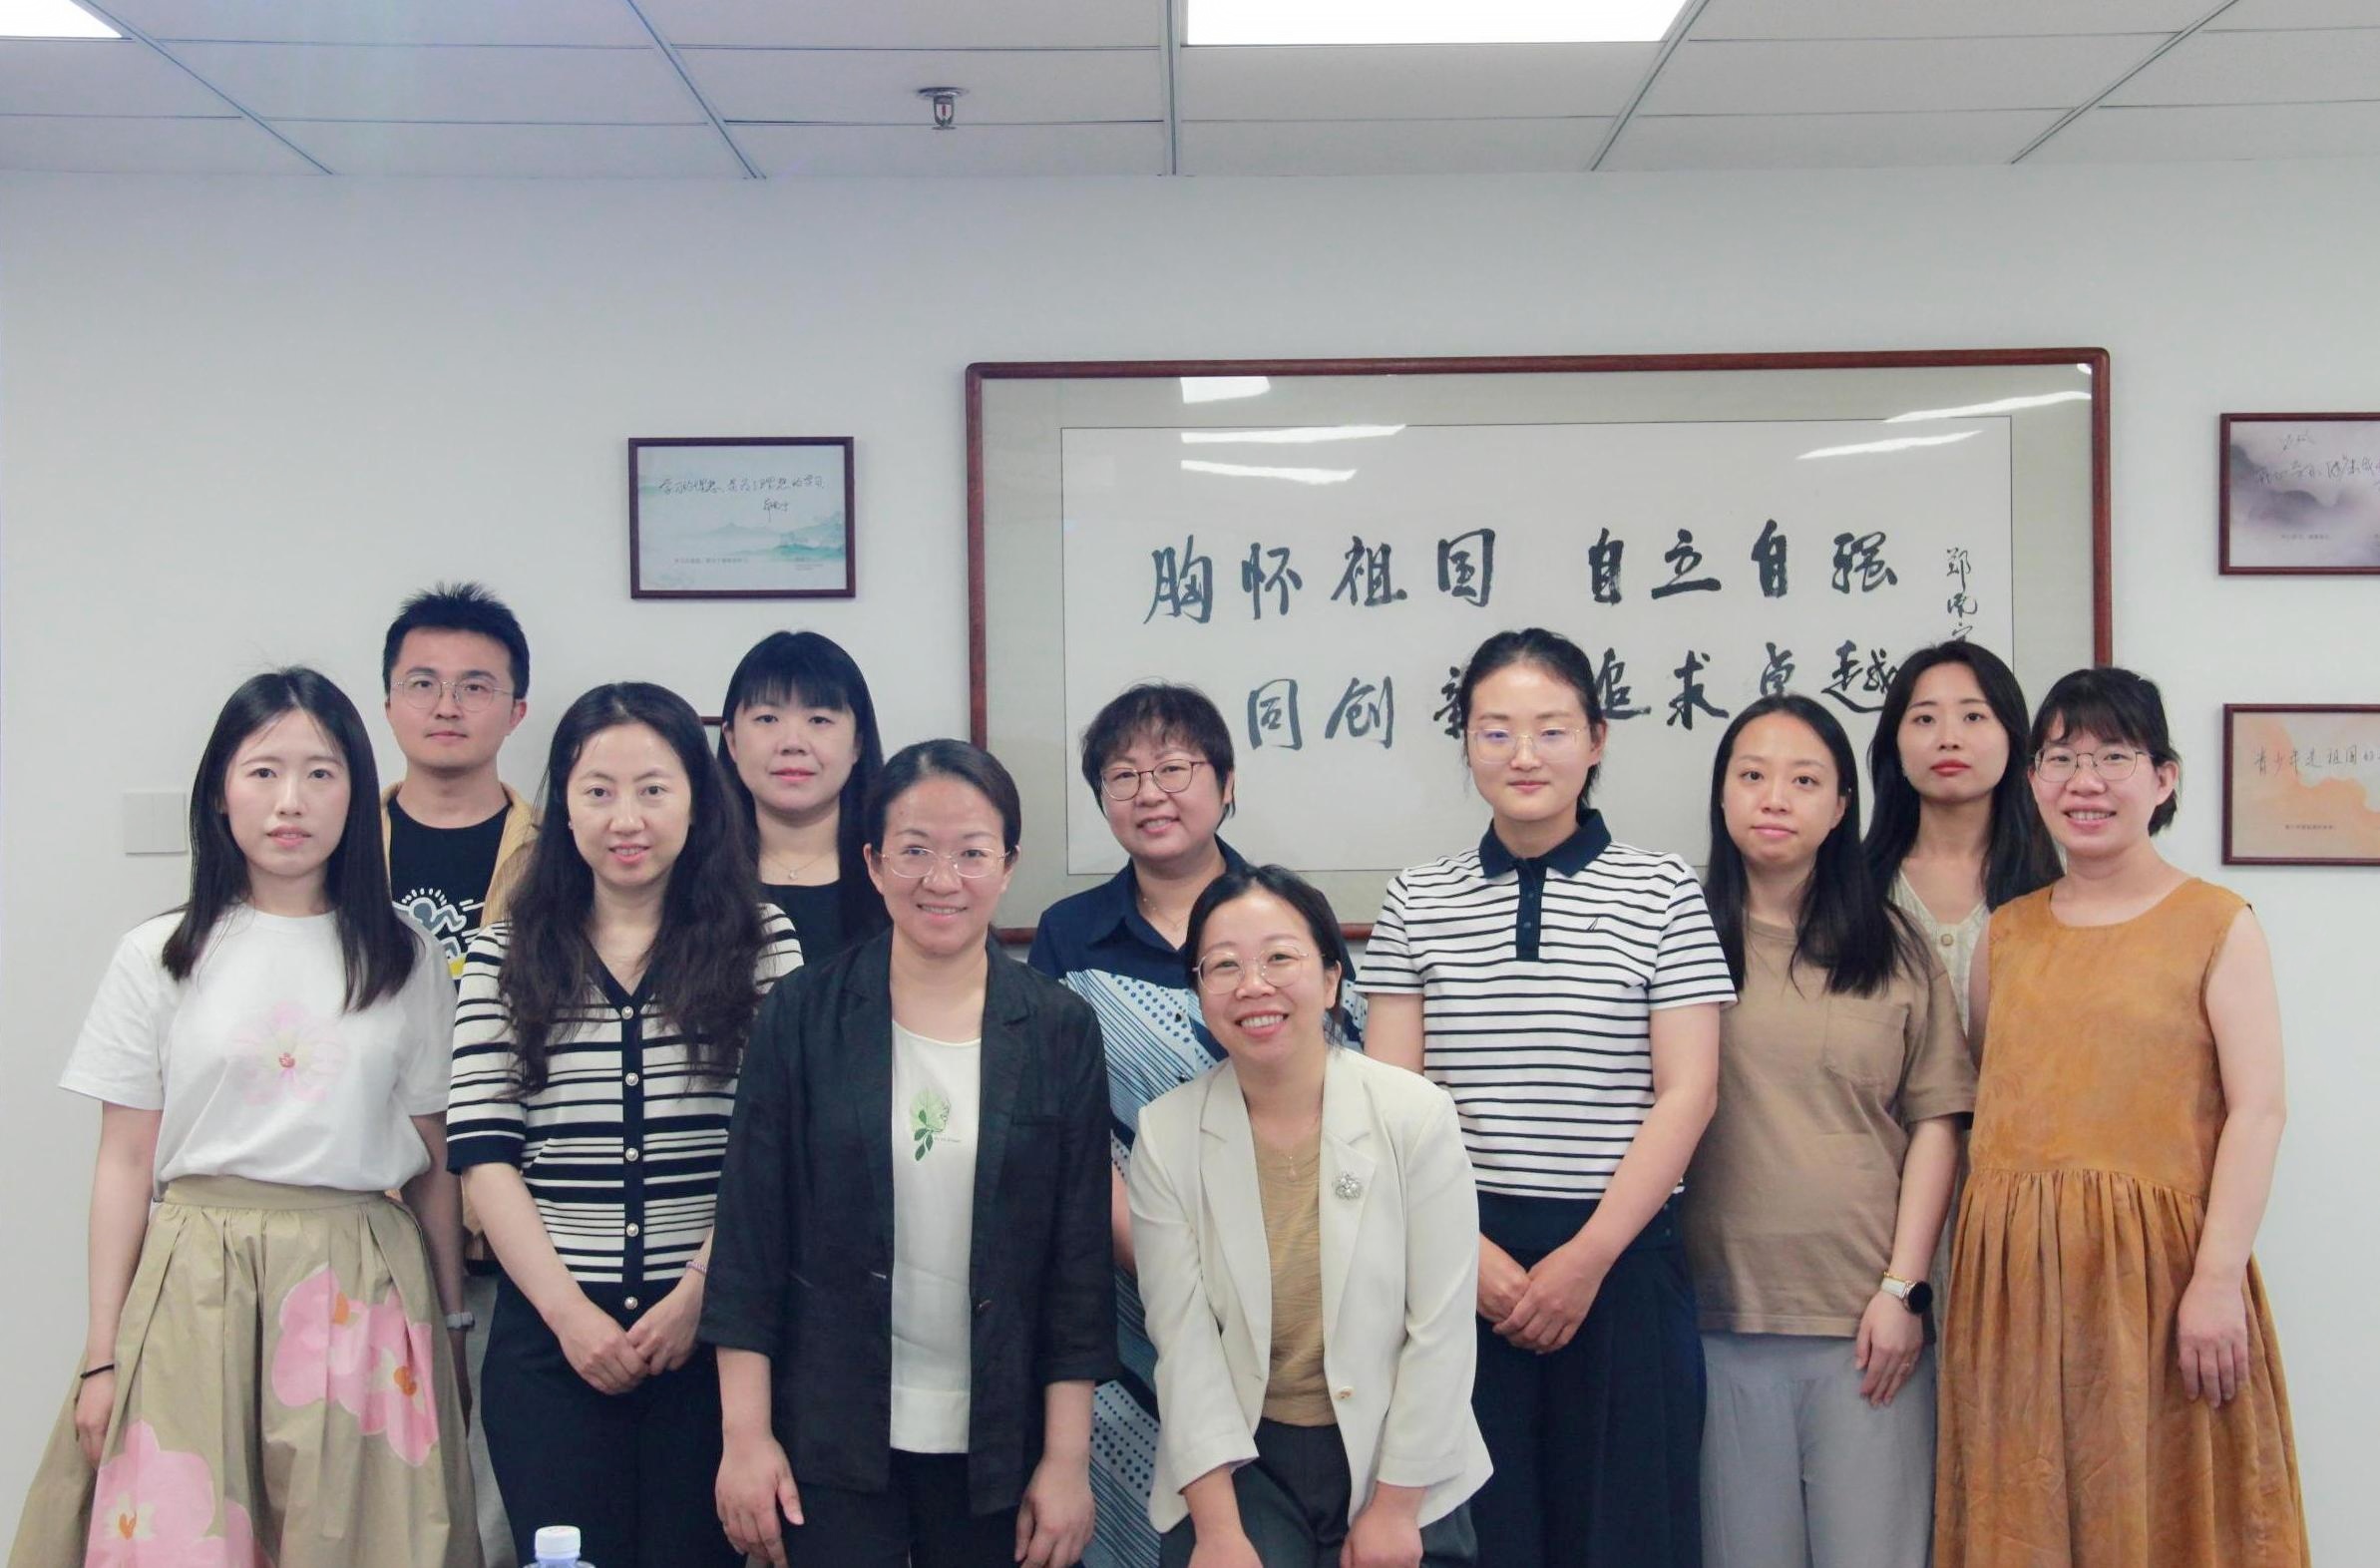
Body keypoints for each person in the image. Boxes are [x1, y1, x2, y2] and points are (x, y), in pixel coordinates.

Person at [10, 667, 478, 1568]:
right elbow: (124, 1162)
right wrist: (102, 1354)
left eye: (321, 773)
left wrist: (453, 1331)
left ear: (355, 794)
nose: (290, 801)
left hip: (361, 1279)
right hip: (196, 1278)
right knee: (189, 1534)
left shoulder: (405, 956)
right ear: (220, 792)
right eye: (263, 771)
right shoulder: (158, 955)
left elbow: (433, 1157)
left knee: (364, 1540)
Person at [1363, 627, 1734, 1568]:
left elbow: (1689, 1092)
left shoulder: (1664, 891)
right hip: (1460, 1269)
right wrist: (1466, 1259)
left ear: (1597, 739)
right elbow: (1390, 1105)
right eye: (1496, 731)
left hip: (1622, 1260)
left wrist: (1588, 1258)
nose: (1523, 755)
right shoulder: (1417, 900)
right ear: (1466, 744)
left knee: (1628, 1538)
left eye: (1551, 729)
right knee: (1484, 1541)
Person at [705, 740, 1115, 1568]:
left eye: (972, 853)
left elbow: (1077, 1263)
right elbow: (750, 1236)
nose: (942, 879)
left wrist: (1068, 1461)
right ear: (873, 862)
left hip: (1002, 1439)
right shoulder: (804, 1014)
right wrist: (745, 1439)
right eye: (915, 851)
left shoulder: (1058, 1028)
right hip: (831, 1433)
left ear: (1008, 866)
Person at [1935, 666, 2309, 1567]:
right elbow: (1989, 1101)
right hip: (2016, 1289)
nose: (2086, 782)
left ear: (2164, 778)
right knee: (2022, 1512)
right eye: (2061, 759)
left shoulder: (2216, 923)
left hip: (2162, 1285)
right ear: (2034, 780)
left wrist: (2215, 1280)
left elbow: (2258, 1111)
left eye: (2113, 757)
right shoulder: (2005, 935)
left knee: (2167, 1514)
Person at [445, 683, 802, 1568]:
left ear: (697, 800)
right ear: (564, 806)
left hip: (715, 1347)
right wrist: (570, 1317)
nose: (626, 818)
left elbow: (774, 1154)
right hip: (550, 1349)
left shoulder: (763, 943)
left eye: (653, 789)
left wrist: (697, 1296)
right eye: (598, 791)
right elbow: (486, 1156)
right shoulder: (501, 953)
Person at [1130, 864, 1488, 1568]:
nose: (1252, 985)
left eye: (1279, 958)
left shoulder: (1414, 1115)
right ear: (1198, 991)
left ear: (1330, 980)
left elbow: (1442, 1330)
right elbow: (1184, 1345)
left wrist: (1394, 1510)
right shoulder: (1166, 1133)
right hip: (1242, 1456)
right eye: (1223, 966)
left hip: (1401, 1447)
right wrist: (1220, 1532)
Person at [1684, 695, 1973, 1568]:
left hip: (1867, 1329)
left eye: (1805, 781)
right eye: (1753, 775)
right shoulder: (1677, 939)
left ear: (1843, 805)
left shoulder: (1895, 948)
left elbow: (1937, 1124)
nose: (1775, 798)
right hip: (1710, 1320)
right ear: (1721, 794)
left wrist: (1904, 1291)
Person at [1028, 683, 1278, 1568]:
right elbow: (1060, 1125)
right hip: (1121, 1278)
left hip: (1281, 1285)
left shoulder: (1279, 916)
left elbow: (1330, 1098)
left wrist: (1248, 1274)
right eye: (1124, 776)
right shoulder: (1068, 936)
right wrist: (1171, 1268)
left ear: (1226, 783)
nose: (1150, 793)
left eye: (1174, 769)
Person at [381, 580, 539, 1568]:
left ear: (516, 710)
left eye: (475, 685)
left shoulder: (563, 854)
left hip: (507, 1233)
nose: (447, 705)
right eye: (424, 682)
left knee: (492, 1507)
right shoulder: (333, 848)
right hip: (361, 1227)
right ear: (388, 702)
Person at [1861, 640, 2059, 1033]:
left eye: (1973, 716)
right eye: (1924, 719)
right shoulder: (1851, 884)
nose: (1949, 738)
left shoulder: (2060, 887)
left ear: (2012, 738)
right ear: (1894, 744)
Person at [717, 629, 890, 963]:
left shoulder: (898, 874)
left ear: (857, 743)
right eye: (767, 718)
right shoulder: (689, 875)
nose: (792, 743)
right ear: (732, 740)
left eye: (819, 719)